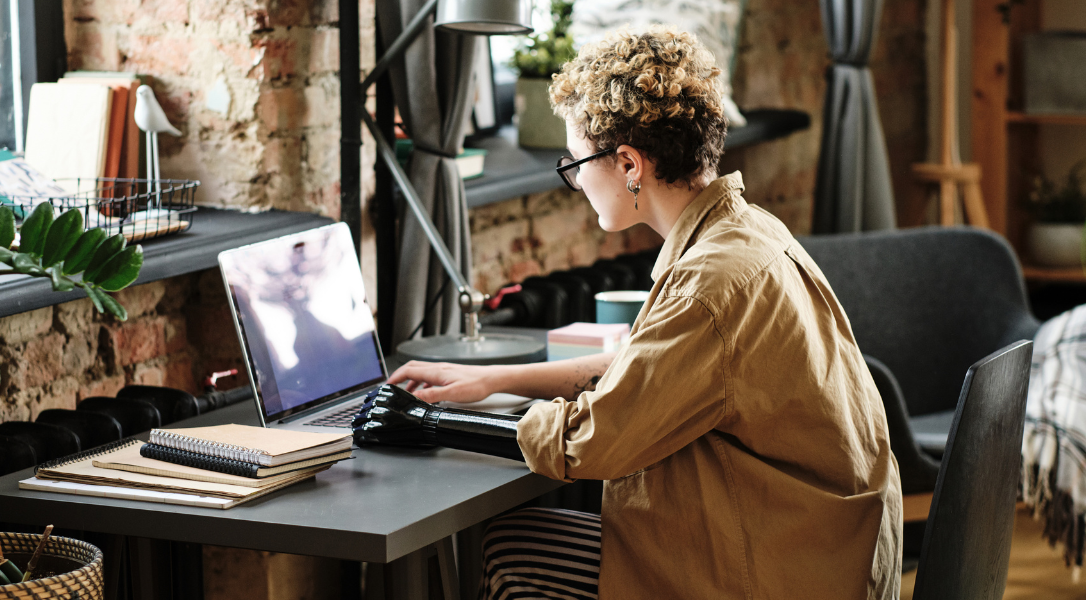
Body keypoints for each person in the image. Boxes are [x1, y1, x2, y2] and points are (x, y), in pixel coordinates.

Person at [354, 26, 902, 600]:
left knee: (517, 553)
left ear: (628, 164)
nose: (575, 179)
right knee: (522, 541)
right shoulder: (746, 232)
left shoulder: (708, 286)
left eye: (576, 161)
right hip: (824, 544)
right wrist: (492, 380)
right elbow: (640, 371)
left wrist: (427, 424)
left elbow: (594, 441)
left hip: (784, 570)